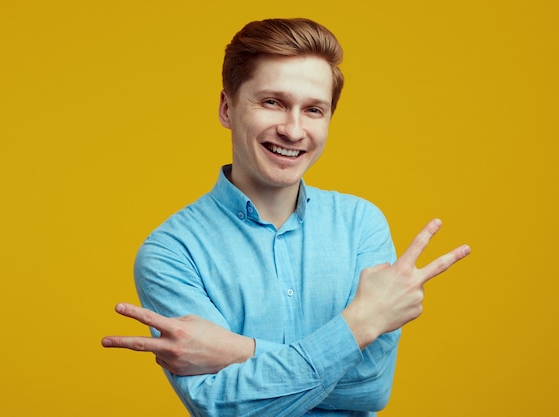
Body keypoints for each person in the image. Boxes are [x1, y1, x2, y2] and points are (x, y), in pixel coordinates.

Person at [102, 18, 470, 416]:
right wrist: (358, 326)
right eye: (272, 102)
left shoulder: (361, 224)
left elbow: (371, 388)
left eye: (313, 109)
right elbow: (224, 407)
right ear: (227, 108)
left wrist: (241, 352)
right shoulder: (172, 252)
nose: (294, 130)